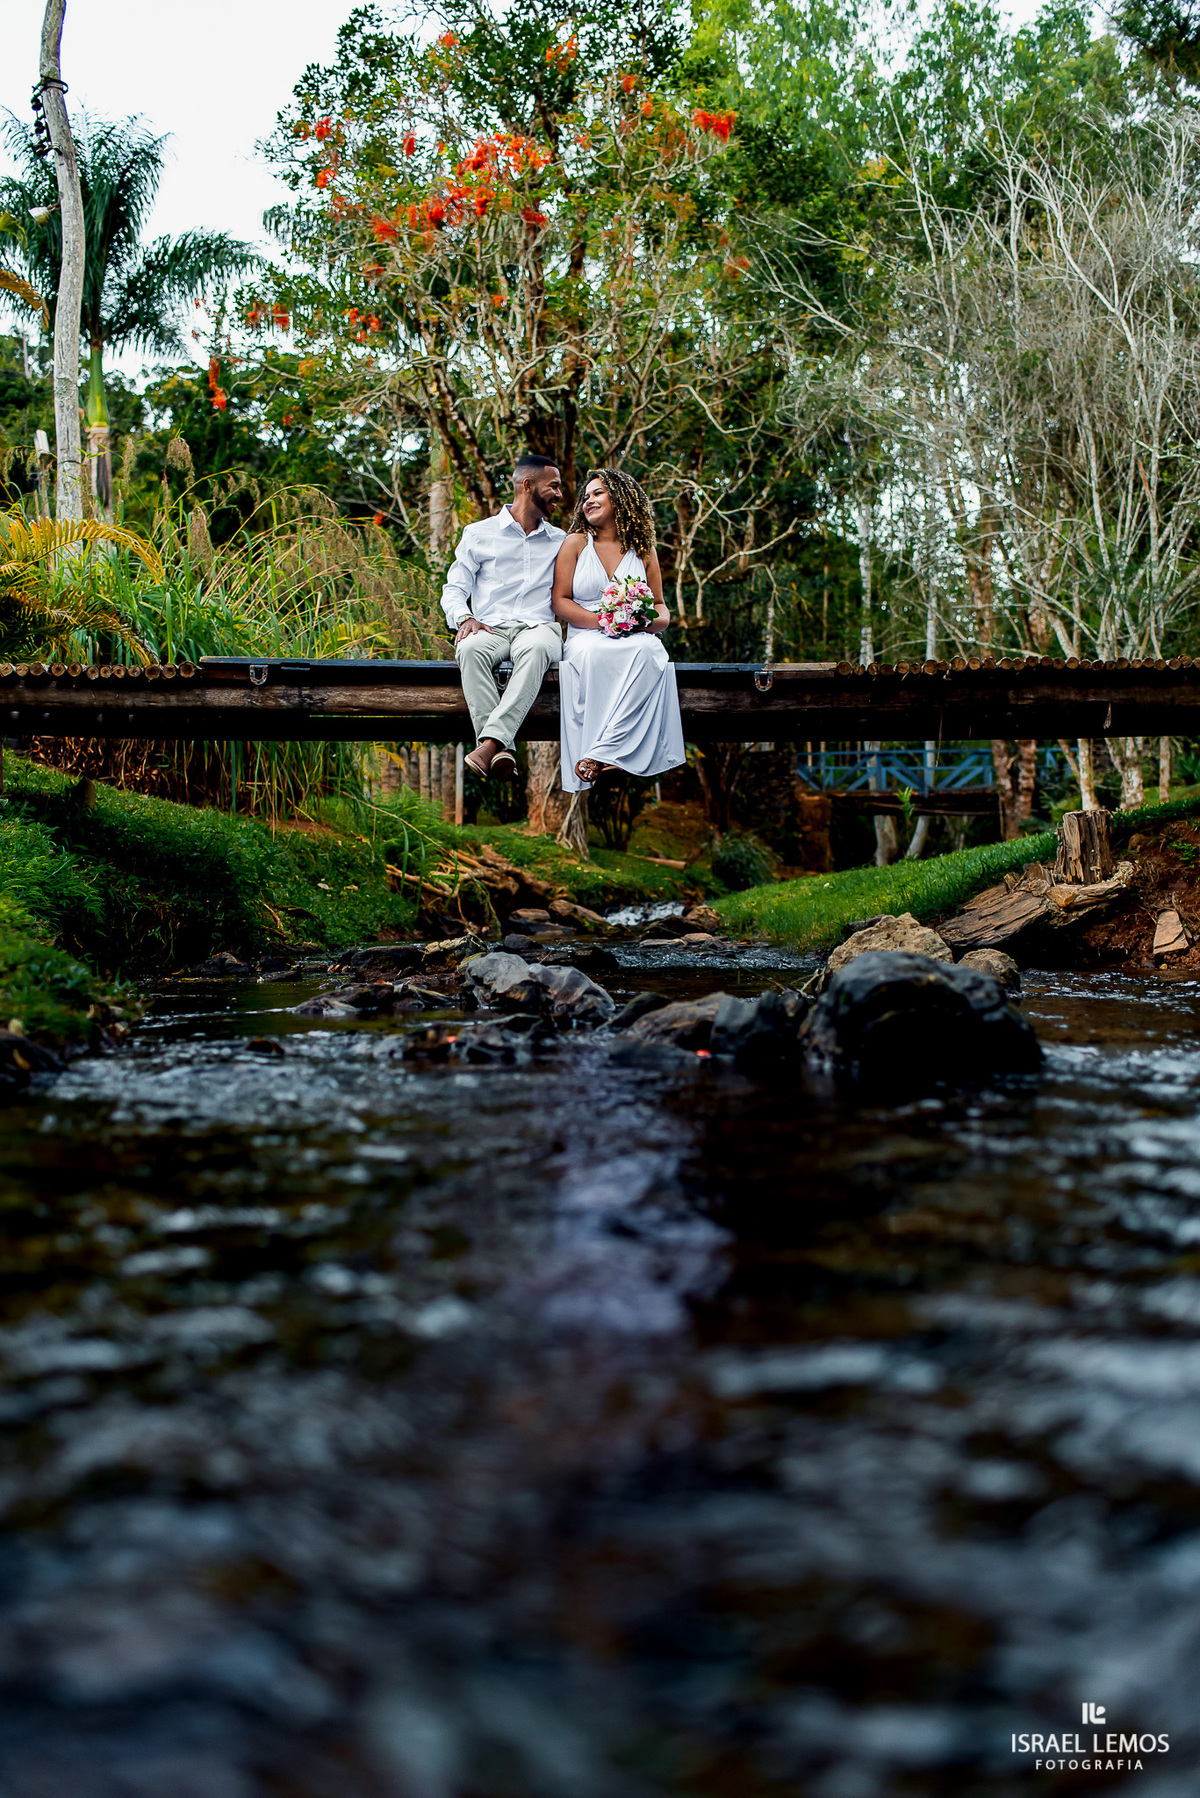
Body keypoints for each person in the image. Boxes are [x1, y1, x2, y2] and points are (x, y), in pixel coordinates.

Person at [551, 468, 685, 791]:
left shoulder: (644, 550)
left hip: (633, 635)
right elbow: (560, 601)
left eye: (598, 493)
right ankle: (611, 751)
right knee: (595, 652)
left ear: (621, 498)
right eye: (586, 496)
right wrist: (603, 621)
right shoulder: (575, 544)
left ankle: (601, 751)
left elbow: (662, 608)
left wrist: (639, 620)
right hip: (587, 634)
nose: (589, 500)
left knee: (652, 651)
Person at [440, 453, 565, 780]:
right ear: (527, 486)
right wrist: (464, 616)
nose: (560, 495)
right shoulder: (478, 533)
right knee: (468, 648)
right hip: (489, 628)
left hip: (538, 628)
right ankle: (502, 750)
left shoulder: (562, 542)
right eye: (553, 486)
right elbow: (454, 587)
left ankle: (490, 743)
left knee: (537, 649)